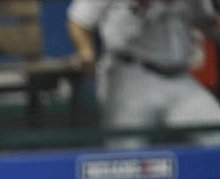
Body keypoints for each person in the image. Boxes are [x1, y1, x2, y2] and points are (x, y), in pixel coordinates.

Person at [67, 0, 220, 148]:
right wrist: (85, 51)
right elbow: (78, 20)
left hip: (180, 79)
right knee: (126, 157)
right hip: (130, 76)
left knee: (216, 135)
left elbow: (206, 22)